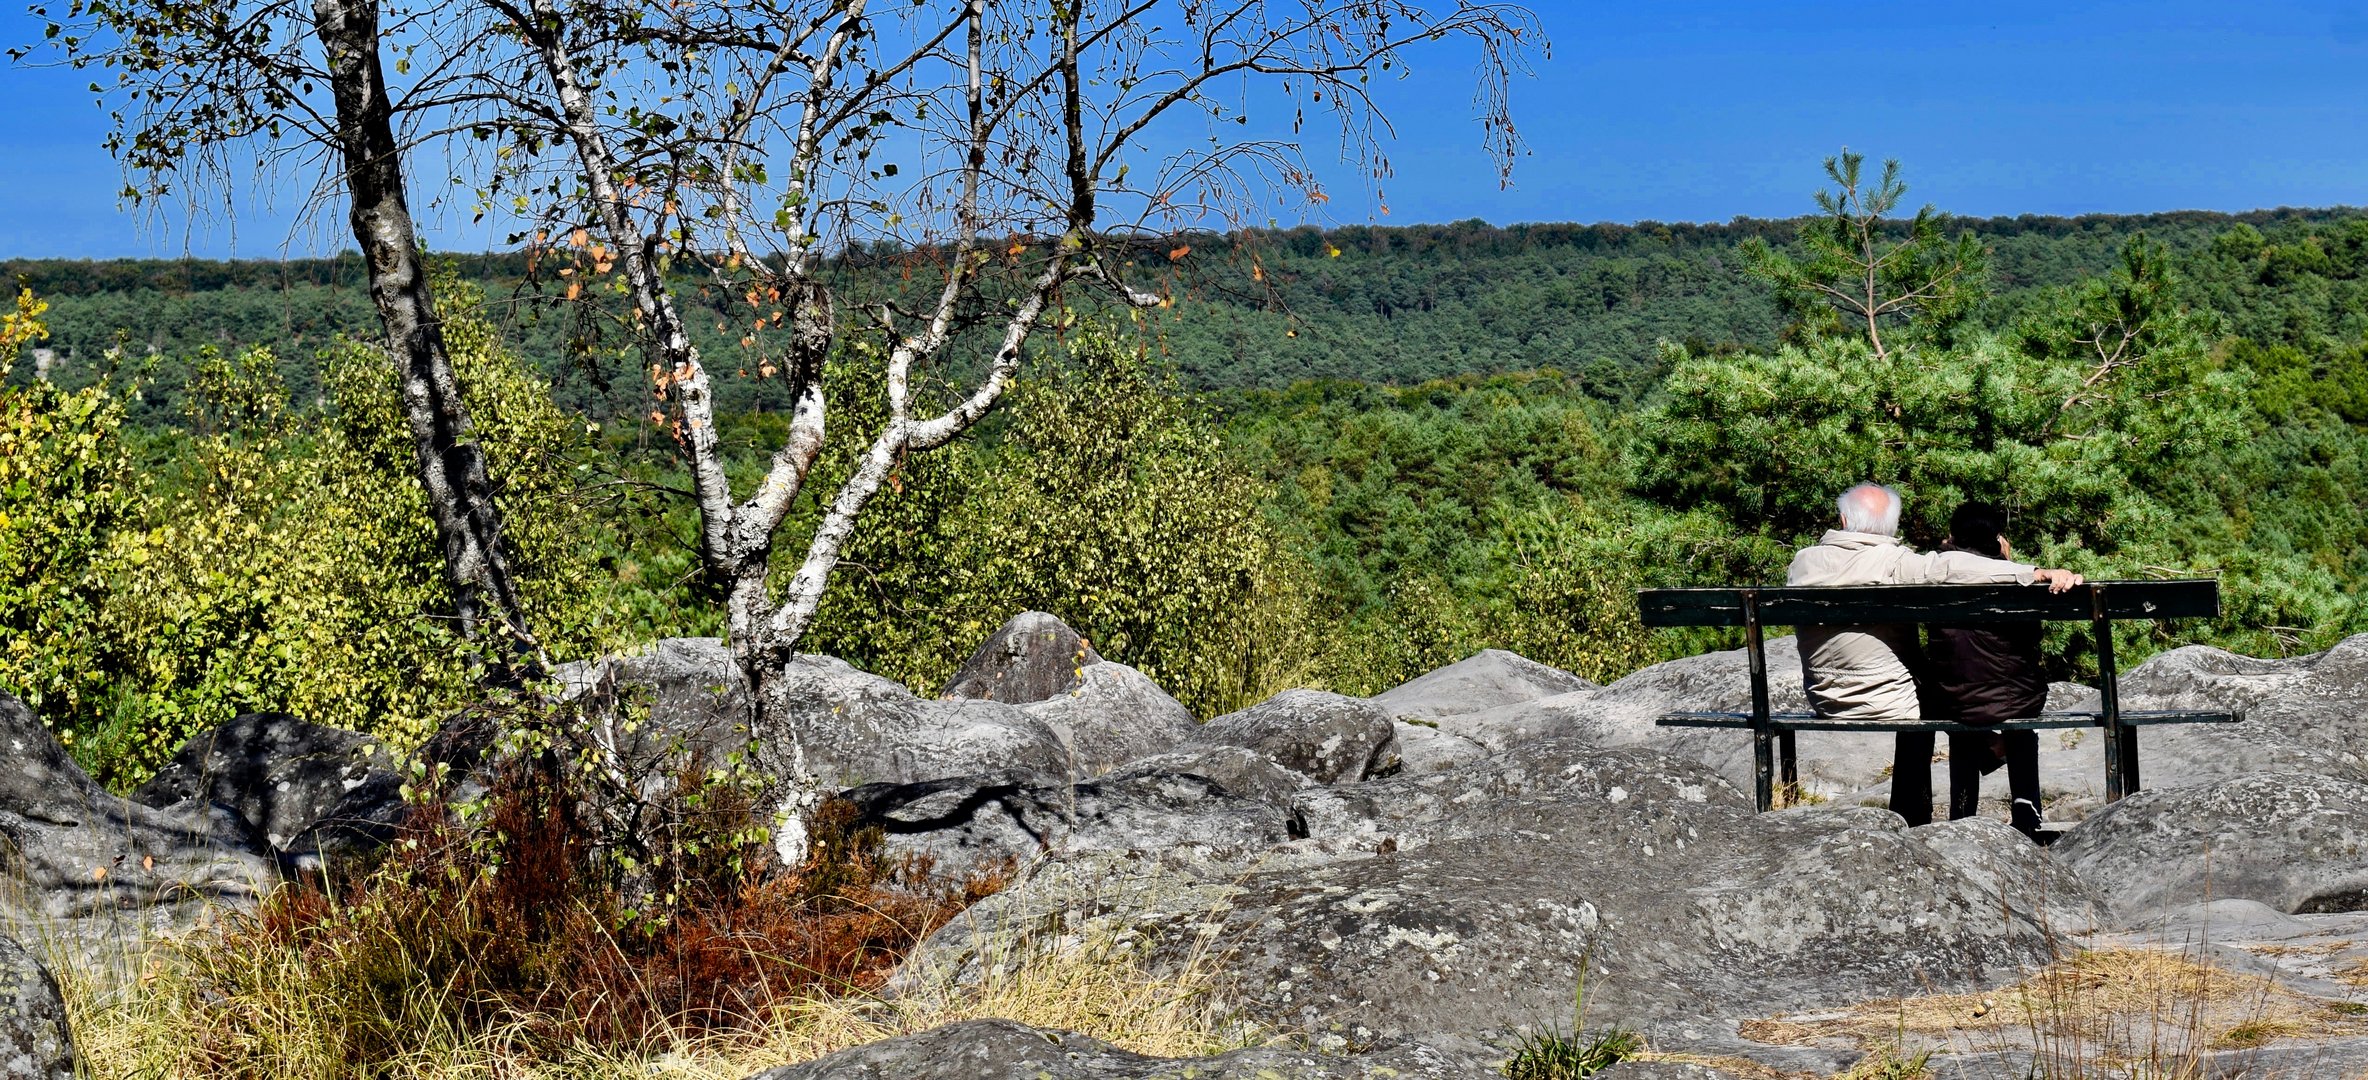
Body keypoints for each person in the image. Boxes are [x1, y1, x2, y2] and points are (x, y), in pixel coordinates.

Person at [1786, 483, 2082, 825]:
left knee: (1937, 689)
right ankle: (1915, 811)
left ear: (1841, 519)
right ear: (1893, 527)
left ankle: (1936, 792)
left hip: (1823, 697)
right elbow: (1957, 567)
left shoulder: (1803, 562)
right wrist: (2031, 573)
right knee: (1935, 698)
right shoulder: (1893, 562)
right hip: (1889, 702)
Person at [1925, 503, 2049, 841]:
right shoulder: (2010, 576)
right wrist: (2008, 564)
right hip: (2014, 699)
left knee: (1965, 727)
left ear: (1953, 536)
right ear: (1995, 539)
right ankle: (2027, 812)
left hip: (1953, 698)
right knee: (2020, 724)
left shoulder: (1933, 572)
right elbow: (2032, 635)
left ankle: (1963, 813)